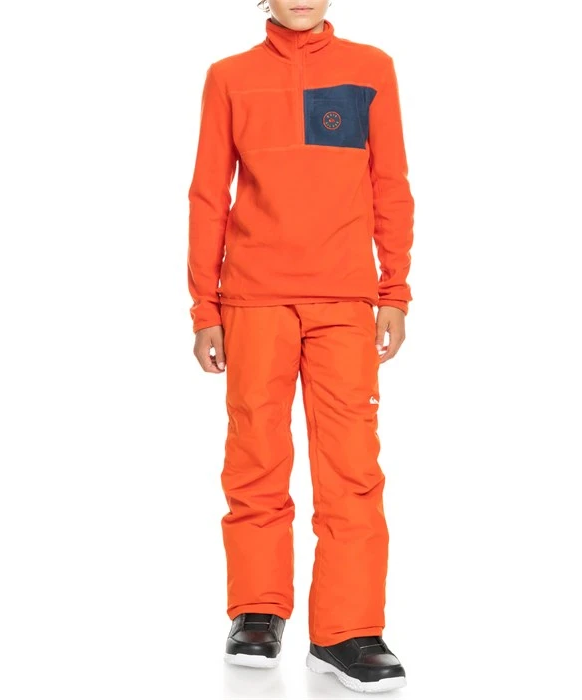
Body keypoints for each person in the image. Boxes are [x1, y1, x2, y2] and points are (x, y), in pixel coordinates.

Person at [187, 0, 414, 693]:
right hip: (253, 299)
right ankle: (257, 608)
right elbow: (208, 195)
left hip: (344, 299)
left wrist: (394, 290)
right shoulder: (229, 77)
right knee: (255, 455)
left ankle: (346, 631)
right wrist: (204, 306)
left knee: (352, 467)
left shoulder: (371, 69)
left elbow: (390, 185)